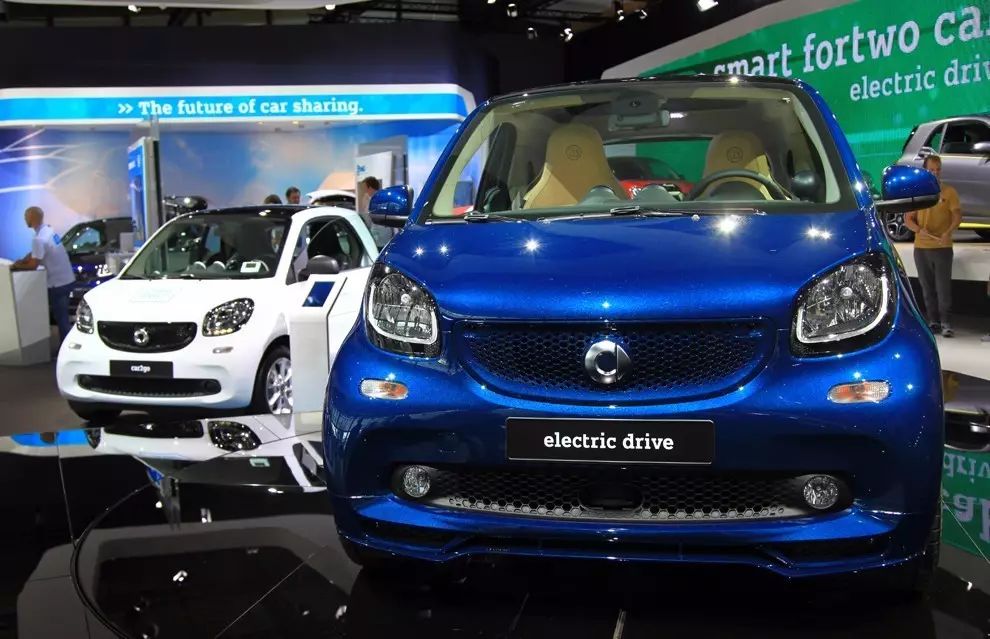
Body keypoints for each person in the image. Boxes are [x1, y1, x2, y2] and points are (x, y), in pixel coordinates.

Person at [904, 154, 962, 337]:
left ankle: (946, 323)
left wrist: (948, 232)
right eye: (931, 170)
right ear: (925, 171)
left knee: (943, 288)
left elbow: (957, 216)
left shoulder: (949, 192)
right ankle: (933, 322)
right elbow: (908, 219)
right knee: (927, 288)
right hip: (921, 248)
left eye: (938, 170)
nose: (936, 173)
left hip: (943, 247)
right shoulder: (918, 193)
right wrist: (918, 229)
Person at [11, 206, 77, 342]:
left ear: (32, 218)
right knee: (62, 317)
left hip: (57, 284)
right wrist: (24, 259)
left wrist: (17, 266)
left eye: (26, 216)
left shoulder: (39, 239)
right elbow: (37, 253)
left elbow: (33, 265)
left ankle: (65, 347)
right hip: (67, 279)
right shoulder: (48, 231)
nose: (24, 219)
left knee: (61, 319)